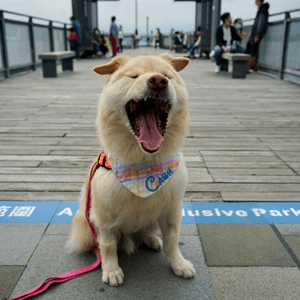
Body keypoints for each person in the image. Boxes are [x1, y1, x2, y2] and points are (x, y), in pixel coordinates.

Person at [246, 0, 269, 72]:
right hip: (255, 34)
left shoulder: (263, 9)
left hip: (256, 34)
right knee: (251, 48)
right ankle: (251, 67)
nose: (255, 1)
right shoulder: (261, 9)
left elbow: (261, 23)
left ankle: (247, 68)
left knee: (252, 51)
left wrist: (257, 35)